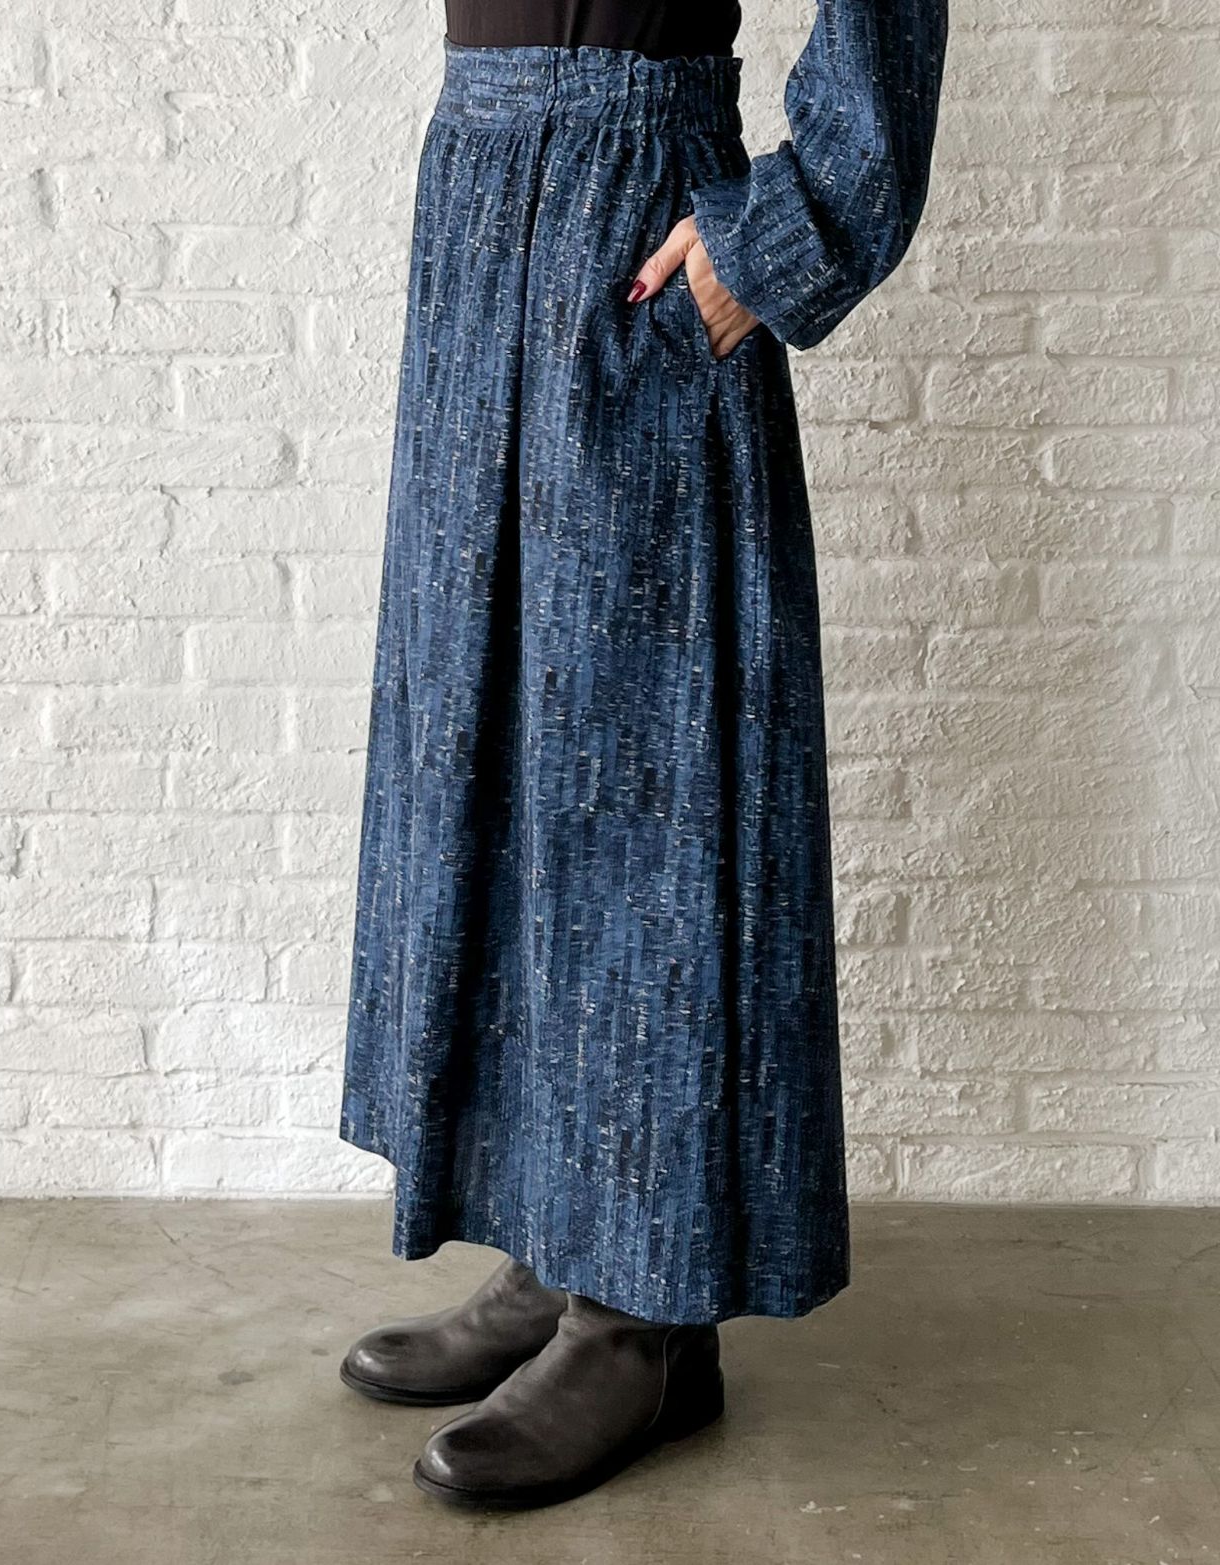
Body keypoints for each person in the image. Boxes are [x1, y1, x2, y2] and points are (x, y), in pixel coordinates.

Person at [337, 0, 947, 1511]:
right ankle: (557, 1240)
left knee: (643, 771)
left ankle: (642, 1317)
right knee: (494, 748)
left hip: (632, 201)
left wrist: (789, 231)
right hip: (478, 187)